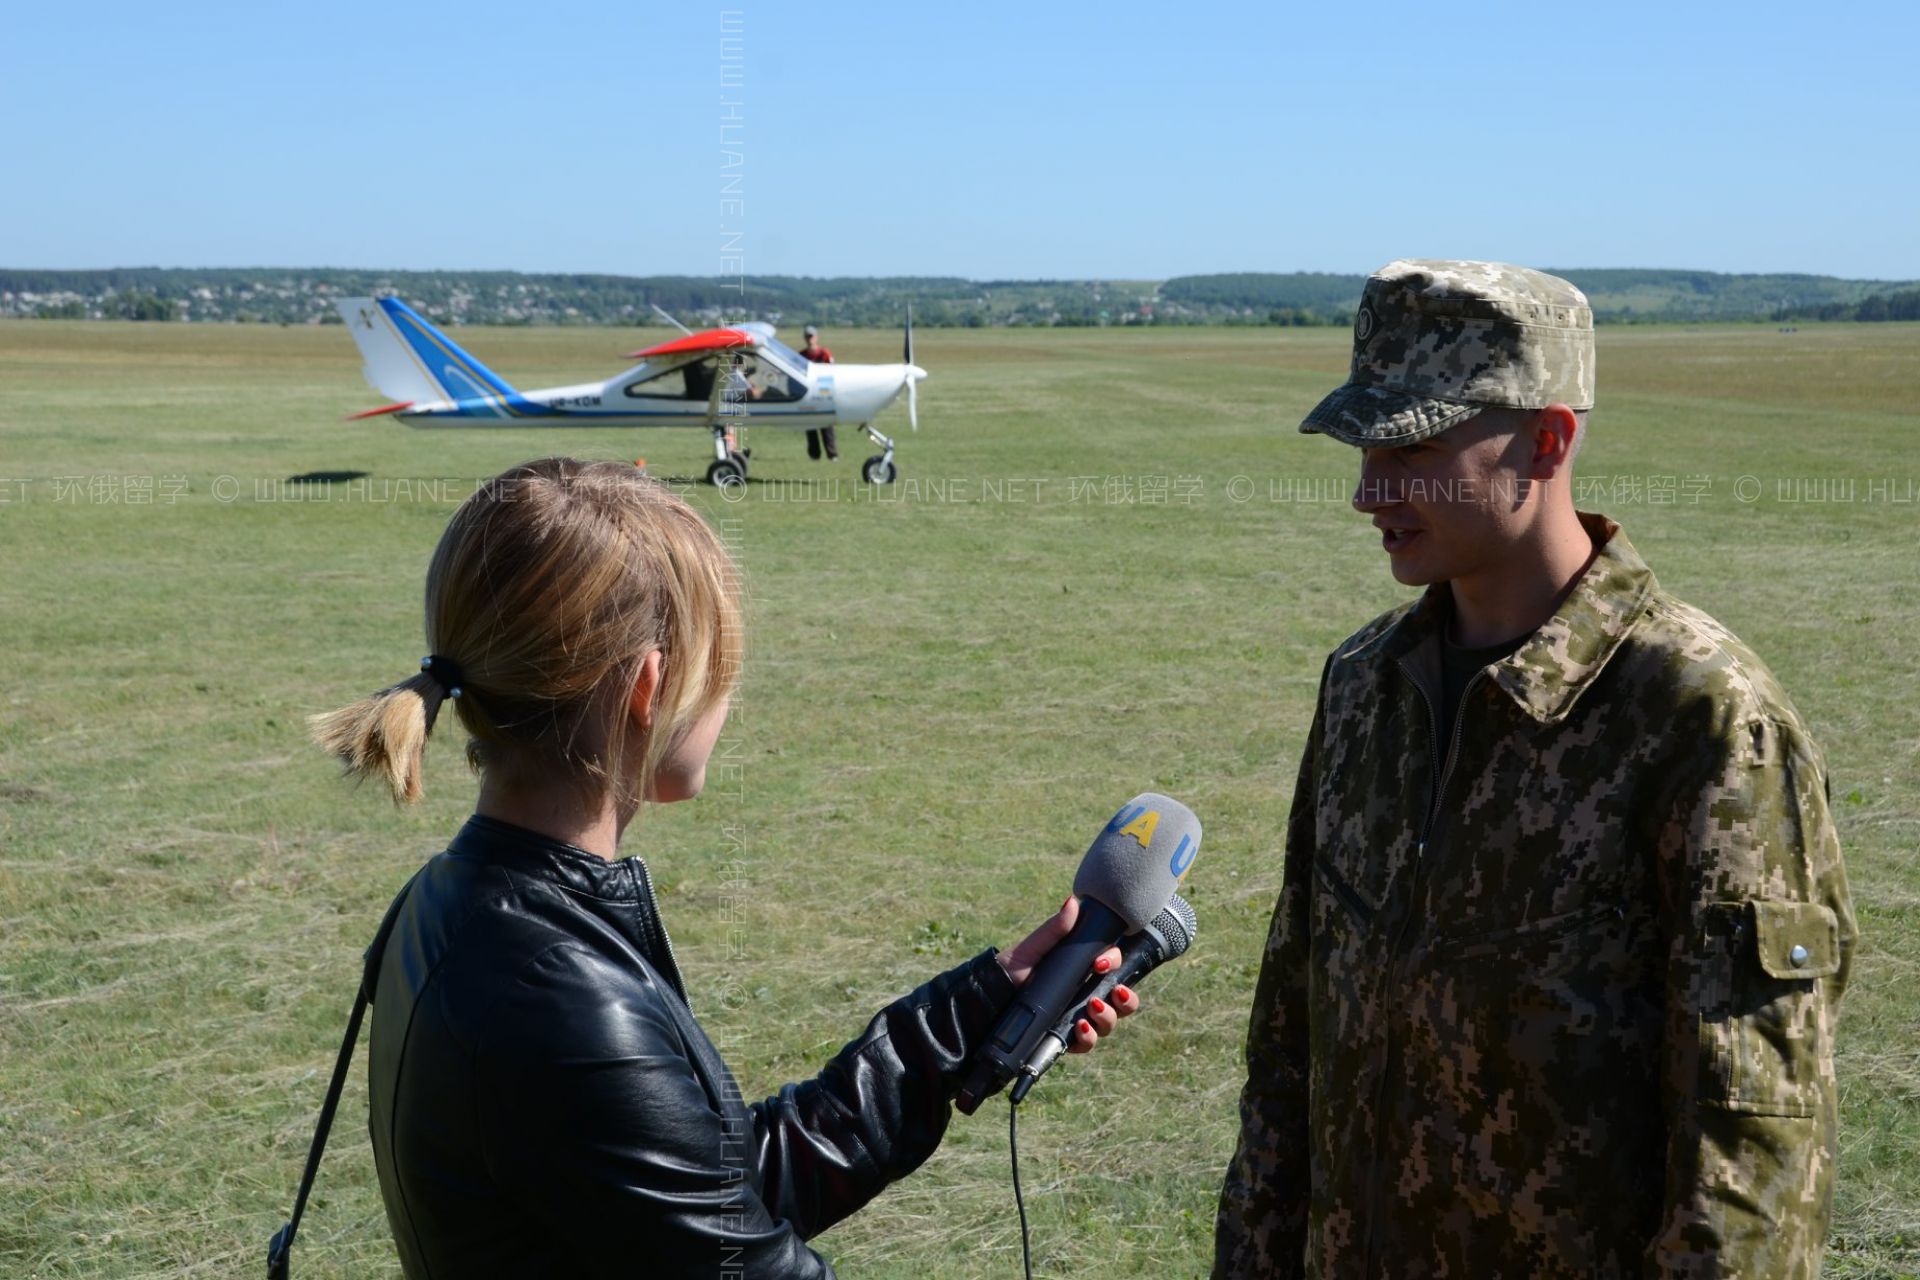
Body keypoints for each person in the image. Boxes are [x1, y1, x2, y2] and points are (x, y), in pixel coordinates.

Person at [308, 457, 1140, 1277]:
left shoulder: (453, 904)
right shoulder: (560, 994)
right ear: (648, 687)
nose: (728, 698)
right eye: (722, 670)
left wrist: (969, 1014)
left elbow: (712, 1200)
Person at [1212, 261, 1855, 1278]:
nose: (1369, 490)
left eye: (1414, 446)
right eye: (1364, 448)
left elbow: (1750, 1148)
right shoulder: (1364, 685)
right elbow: (1290, 1038)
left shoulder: (1699, 716)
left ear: (1548, 440)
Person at [799, 323, 838, 462]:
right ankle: (814, 455)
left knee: (826, 424)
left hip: (823, 393)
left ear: (816, 337)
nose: (810, 339)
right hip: (808, 395)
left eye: (812, 336)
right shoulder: (801, 355)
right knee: (810, 424)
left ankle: (832, 454)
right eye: (807, 336)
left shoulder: (824, 353)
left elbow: (833, 370)